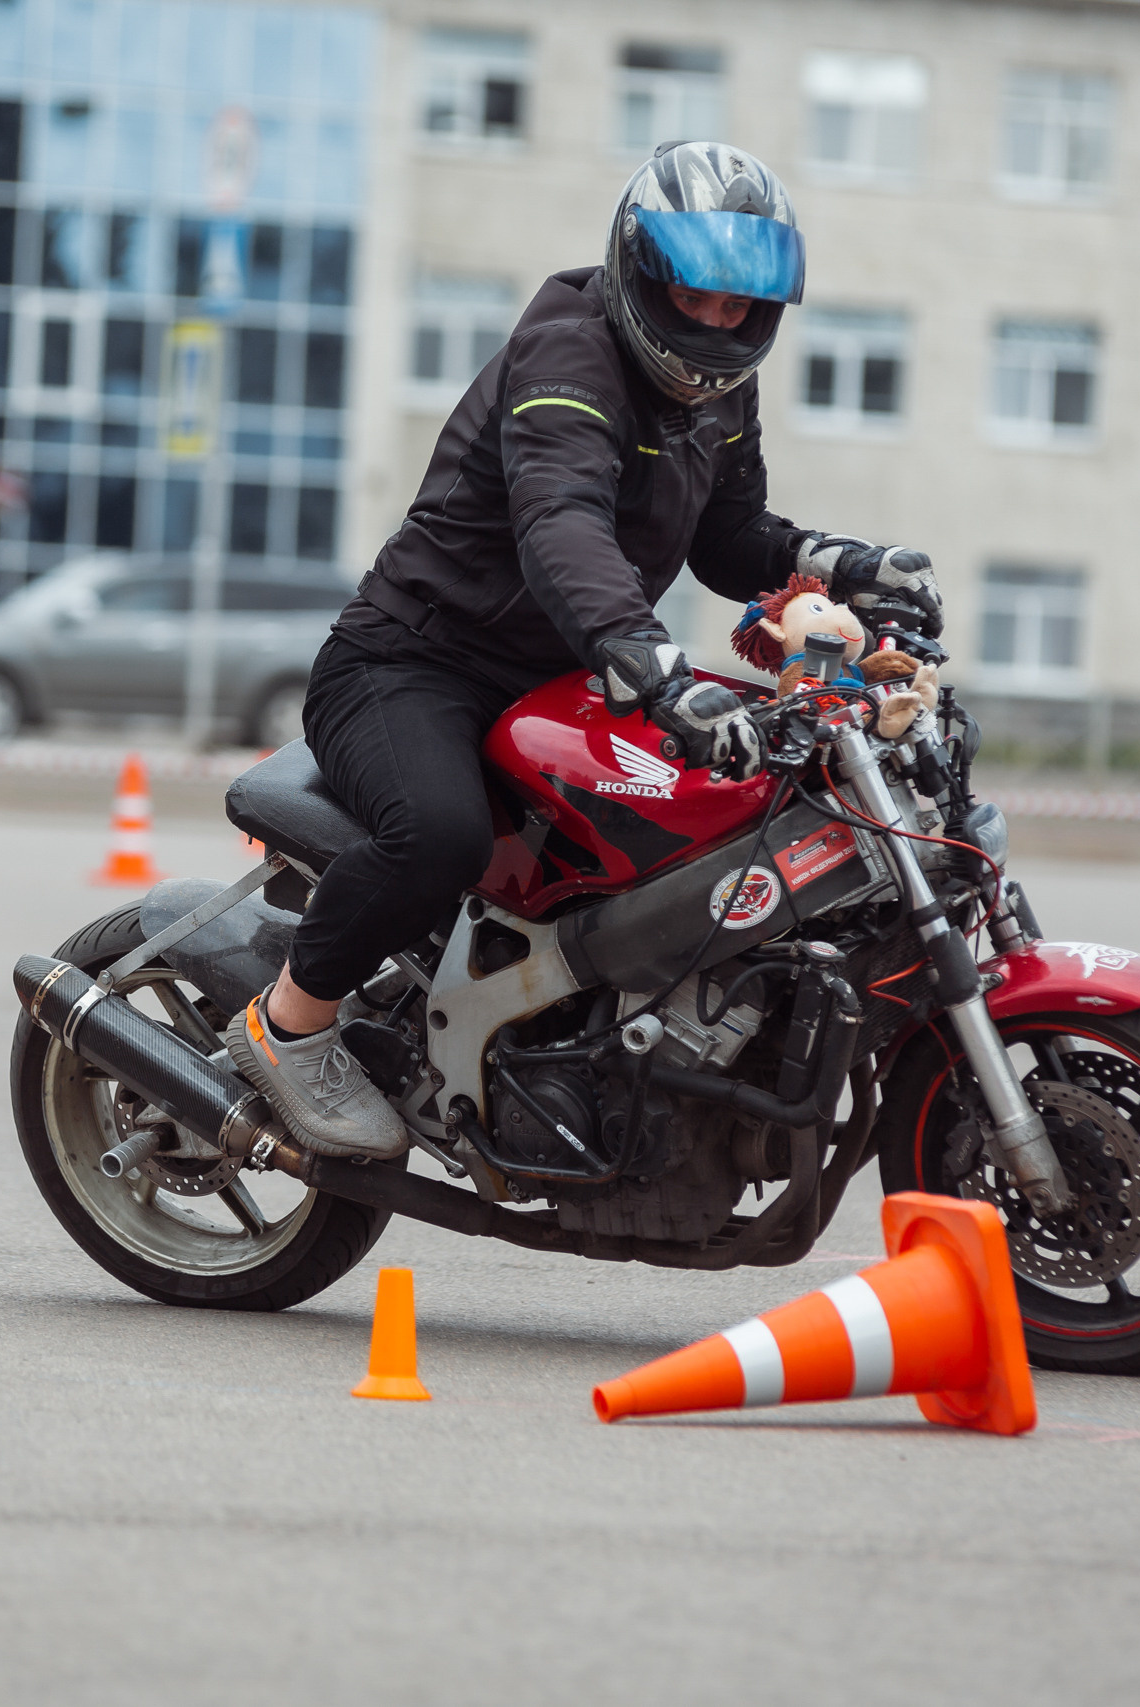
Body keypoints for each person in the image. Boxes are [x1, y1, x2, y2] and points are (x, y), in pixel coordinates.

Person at [225, 142, 943, 1159]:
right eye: (694, 295)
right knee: (437, 836)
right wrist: (642, 656)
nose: (717, 322)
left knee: (705, 828)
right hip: (414, 663)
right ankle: (289, 1026)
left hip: (564, 676)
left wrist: (844, 562)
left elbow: (729, 537)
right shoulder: (567, 356)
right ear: (642, 275)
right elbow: (560, 520)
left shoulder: (717, 390)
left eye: (739, 305)